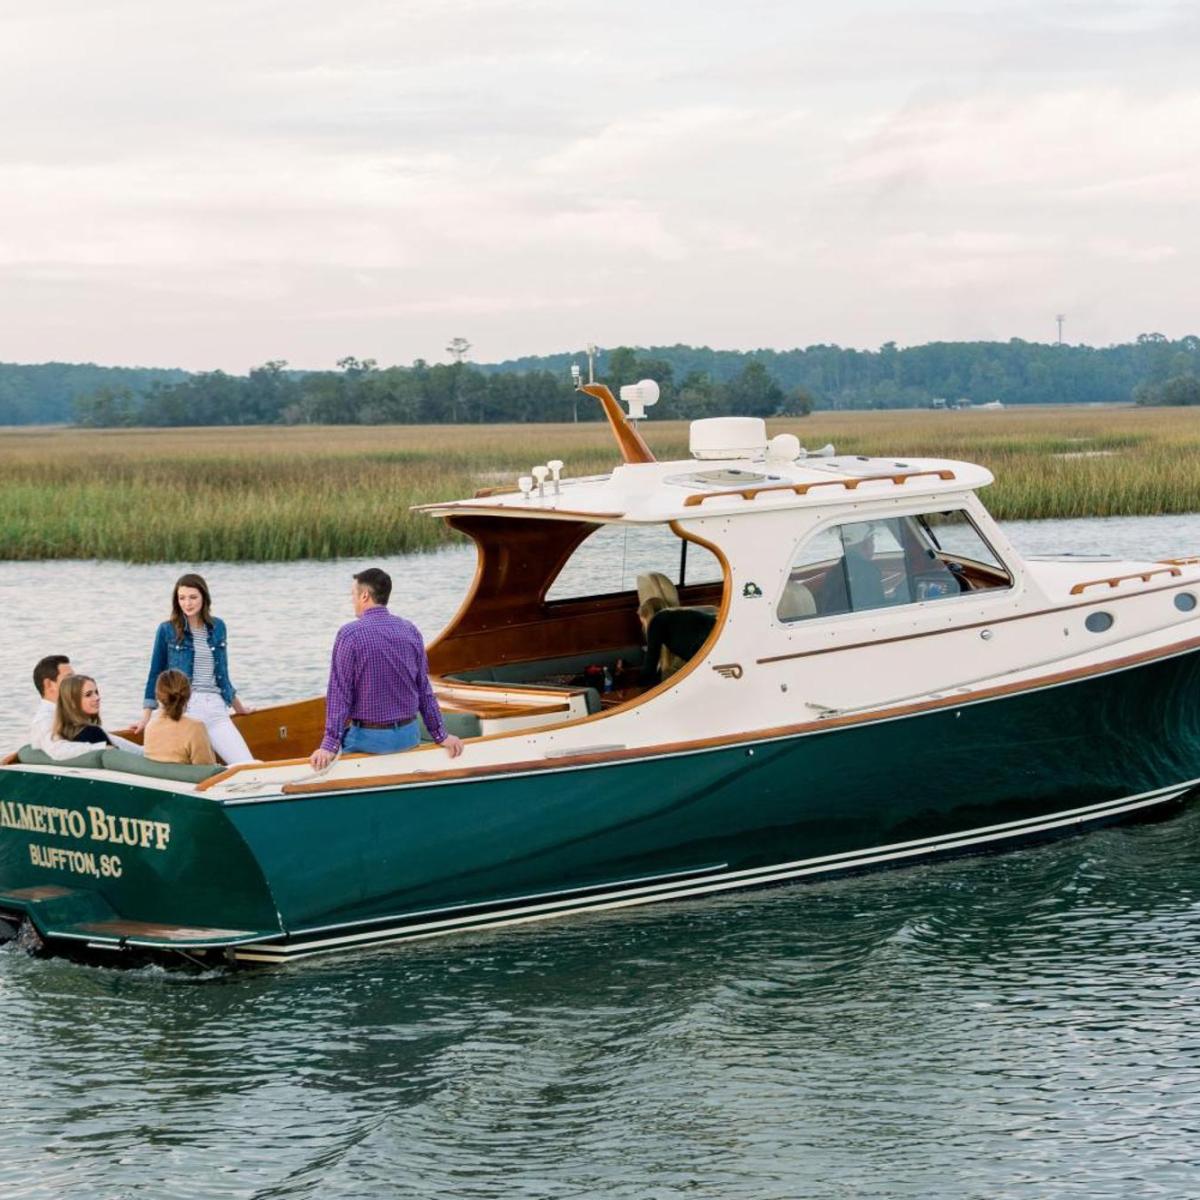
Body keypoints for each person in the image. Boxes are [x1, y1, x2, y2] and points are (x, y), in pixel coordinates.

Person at [309, 567, 464, 770]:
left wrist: (329, 745)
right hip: (408, 737)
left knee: (330, 761)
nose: (352, 600)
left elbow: (340, 695)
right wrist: (440, 734)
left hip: (369, 741)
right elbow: (424, 690)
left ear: (365, 596)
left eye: (353, 595)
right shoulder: (410, 630)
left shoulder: (349, 635)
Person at [135, 573, 255, 765]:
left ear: (204, 598)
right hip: (183, 709)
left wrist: (239, 707)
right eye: (182, 598)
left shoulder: (218, 627)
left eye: (193, 597)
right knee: (194, 771)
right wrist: (147, 715)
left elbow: (222, 674)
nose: (187, 603)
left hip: (215, 708)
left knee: (247, 765)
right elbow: (156, 673)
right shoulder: (167, 630)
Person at [29, 655, 142, 760]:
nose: (74, 682)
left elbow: (109, 740)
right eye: (68, 678)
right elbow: (57, 750)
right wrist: (103, 747)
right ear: (49, 684)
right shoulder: (45, 719)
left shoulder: (72, 716)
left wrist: (143, 752)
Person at [637, 596, 717, 686]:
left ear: (647, 616)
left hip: (709, 648)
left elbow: (650, 663)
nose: (644, 628)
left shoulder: (656, 621)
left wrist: (639, 688)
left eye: (644, 623)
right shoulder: (675, 616)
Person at [143, 670, 217, 765]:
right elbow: (206, 768)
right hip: (189, 779)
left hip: (158, 778)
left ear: (157, 696)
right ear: (188, 695)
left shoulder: (151, 726)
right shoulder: (195, 727)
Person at [53, 675, 115, 747]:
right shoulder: (93, 732)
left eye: (96, 692)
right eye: (88, 695)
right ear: (72, 702)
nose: (97, 698)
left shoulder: (61, 736)